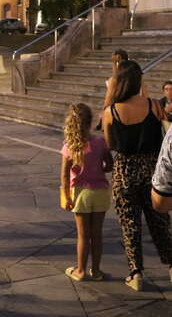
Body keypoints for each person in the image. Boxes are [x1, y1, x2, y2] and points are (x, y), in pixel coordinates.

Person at [103, 60, 172, 291]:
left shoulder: (110, 112)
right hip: (152, 172)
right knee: (160, 222)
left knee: (129, 225)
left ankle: (136, 273)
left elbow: (111, 143)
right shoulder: (154, 105)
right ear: (139, 81)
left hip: (124, 174)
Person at [61, 103, 112, 282]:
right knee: (97, 235)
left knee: (83, 236)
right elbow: (109, 165)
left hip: (80, 194)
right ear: (90, 122)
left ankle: (80, 271)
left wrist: (67, 197)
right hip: (100, 192)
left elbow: (65, 177)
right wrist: (98, 167)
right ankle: (96, 271)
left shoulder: (70, 146)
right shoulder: (100, 142)